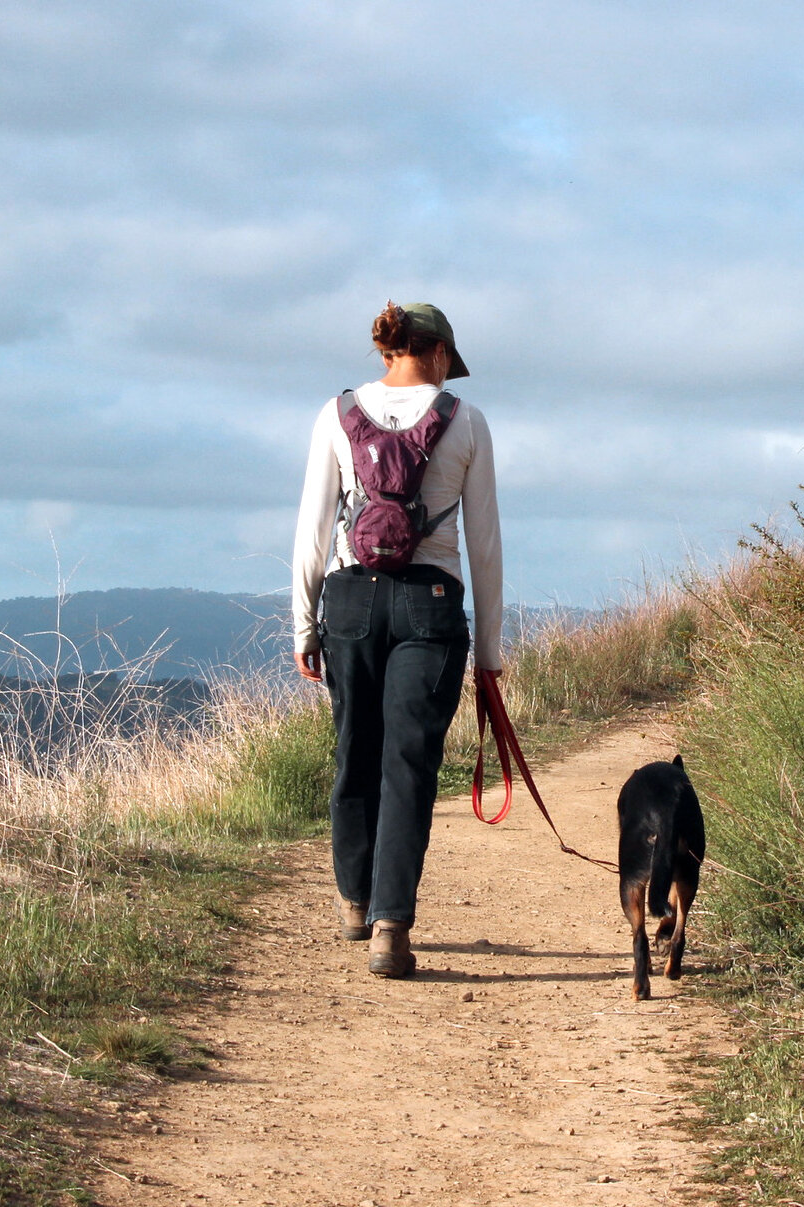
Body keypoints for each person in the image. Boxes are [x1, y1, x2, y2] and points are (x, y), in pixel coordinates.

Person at [292, 301, 503, 978]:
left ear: (389, 353)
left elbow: (312, 529)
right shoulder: (465, 420)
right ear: (438, 354)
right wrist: (491, 653)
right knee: (407, 764)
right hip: (429, 604)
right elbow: (485, 545)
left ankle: (354, 899)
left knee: (354, 749)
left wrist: (304, 622)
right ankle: (391, 924)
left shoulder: (335, 413)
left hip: (349, 598)